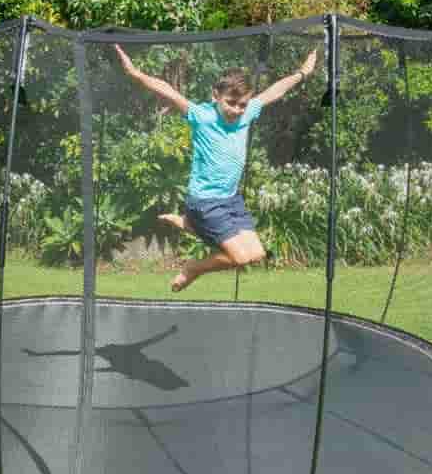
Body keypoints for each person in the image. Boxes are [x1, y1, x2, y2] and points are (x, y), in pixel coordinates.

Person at [113, 43, 318, 292]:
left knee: (256, 254)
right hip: (206, 201)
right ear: (215, 96)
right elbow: (168, 91)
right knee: (240, 258)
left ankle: (189, 224)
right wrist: (135, 74)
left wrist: (302, 72)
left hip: (231, 199)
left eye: (242, 104)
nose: (237, 110)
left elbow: (275, 91)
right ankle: (193, 268)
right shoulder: (202, 115)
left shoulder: (248, 111)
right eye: (231, 103)